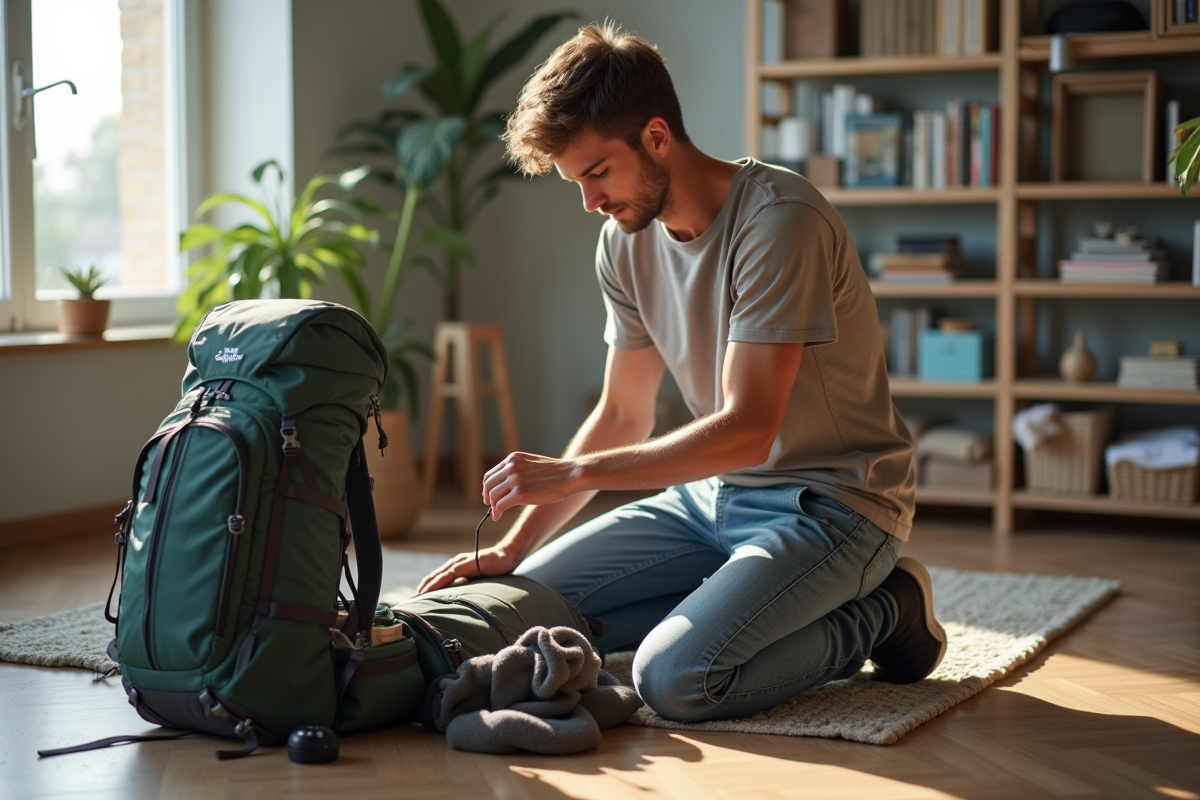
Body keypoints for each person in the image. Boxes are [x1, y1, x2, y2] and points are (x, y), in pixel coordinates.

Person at [417, 22, 946, 724]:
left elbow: (752, 429)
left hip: (833, 505)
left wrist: (575, 473)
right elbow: (621, 413)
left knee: (676, 679)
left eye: (598, 172)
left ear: (657, 138)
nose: (590, 201)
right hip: (712, 498)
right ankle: (726, 603)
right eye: (577, 181)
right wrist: (513, 547)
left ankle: (883, 612)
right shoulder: (624, 243)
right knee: (519, 608)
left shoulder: (779, 222)